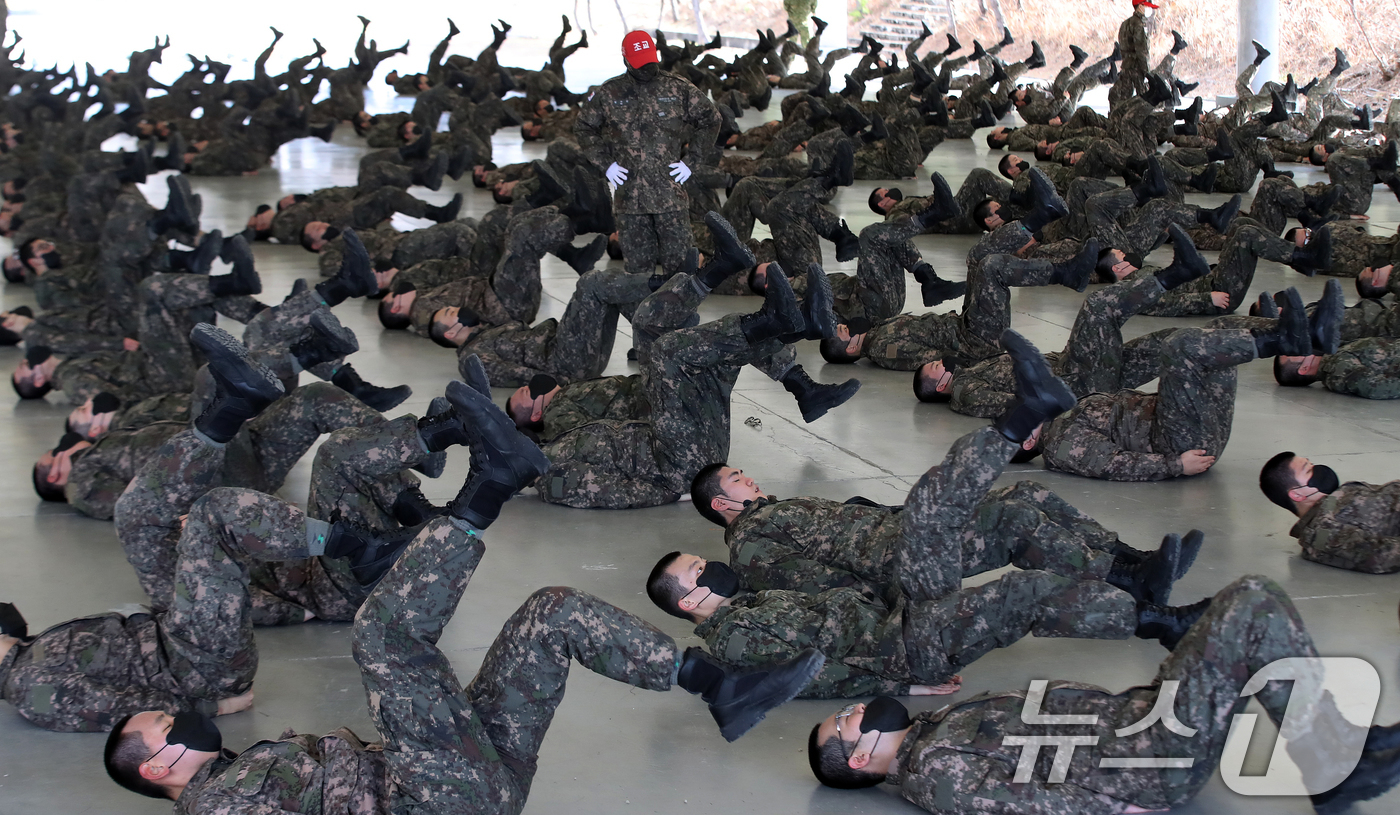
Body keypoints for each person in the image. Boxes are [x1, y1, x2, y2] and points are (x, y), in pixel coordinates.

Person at [100, 377, 827, 808]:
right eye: (161, 725)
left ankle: (719, 685)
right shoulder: (220, 807)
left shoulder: (236, 778)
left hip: (467, 775)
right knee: (382, 636)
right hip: (435, 798)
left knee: (553, 611)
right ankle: (491, 483)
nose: (173, 715)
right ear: (160, 768)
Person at [648, 331, 1208, 698]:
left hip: (895, 554)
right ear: (722, 505)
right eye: (737, 480)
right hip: (894, 573)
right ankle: (1022, 419)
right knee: (964, 514)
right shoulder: (750, 550)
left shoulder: (768, 539)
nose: (750, 479)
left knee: (1018, 503)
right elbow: (823, 605)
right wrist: (899, 652)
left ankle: (1133, 570)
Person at [807, 575, 1400, 815]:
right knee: (1251, 603)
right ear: (860, 759)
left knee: (1235, 615)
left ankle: (1339, 746)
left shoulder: (935, 730)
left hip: (1141, 718)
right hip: (1147, 760)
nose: (851, 710)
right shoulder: (935, 772)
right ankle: (1333, 761)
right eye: (844, 723)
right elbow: (1032, 806)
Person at [575, 30, 720, 280]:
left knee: (681, 271)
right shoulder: (610, 93)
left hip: (669, 196)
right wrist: (606, 165)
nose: (646, 68)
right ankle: (643, 320)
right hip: (630, 200)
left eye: (649, 60)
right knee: (637, 275)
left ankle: (678, 319)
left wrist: (692, 161)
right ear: (625, 59)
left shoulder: (678, 88)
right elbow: (584, 126)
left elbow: (711, 119)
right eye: (639, 61)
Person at [1259, 451, 1400, 574]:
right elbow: (1382, 556)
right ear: (1297, 494)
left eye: (1312, 464)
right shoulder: (1321, 533)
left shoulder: (1332, 501)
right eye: (1308, 471)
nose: (1319, 470)